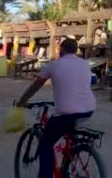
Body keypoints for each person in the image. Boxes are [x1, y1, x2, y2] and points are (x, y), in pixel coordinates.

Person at [16, 38, 96, 178]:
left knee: (45, 145)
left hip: (66, 112)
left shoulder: (55, 64)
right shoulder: (84, 64)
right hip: (88, 109)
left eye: (60, 48)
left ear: (62, 49)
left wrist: (22, 101)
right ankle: (69, 163)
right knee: (69, 136)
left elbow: (36, 85)